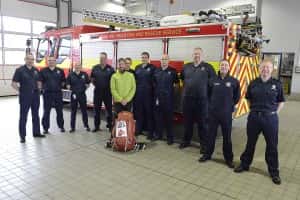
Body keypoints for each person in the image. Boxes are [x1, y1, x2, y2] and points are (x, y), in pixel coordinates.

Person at [234, 60, 285, 185]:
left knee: (272, 146)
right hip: (254, 118)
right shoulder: (253, 83)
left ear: (272, 69)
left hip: (270, 119)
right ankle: (245, 164)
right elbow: (248, 99)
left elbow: (281, 101)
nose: (265, 70)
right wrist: (254, 110)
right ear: (259, 69)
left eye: (268, 67)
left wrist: (275, 113)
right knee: (250, 143)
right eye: (263, 67)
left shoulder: (277, 84)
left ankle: (274, 172)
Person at [199, 60, 240, 168]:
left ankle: (228, 159)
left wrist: (229, 105)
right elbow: (207, 95)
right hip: (213, 113)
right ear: (219, 67)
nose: (223, 67)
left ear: (229, 67)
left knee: (227, 137)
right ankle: (207, 155)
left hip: (226, 114)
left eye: (226, 65)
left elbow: (236, 97)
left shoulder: (234, 81)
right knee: (210, 136)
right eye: (222, 65)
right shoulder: (212, 80)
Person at [179, 48, 216, 153]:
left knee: (202, 124)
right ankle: (186, 141)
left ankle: (204, 145)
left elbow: (213, 83)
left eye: (198, 54)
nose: (196, 56)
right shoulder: (186, 67)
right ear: (192, 55)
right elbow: (182, 78)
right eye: (195, 54)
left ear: (202, 55)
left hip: (202, 101)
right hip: (187, 100)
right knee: (187, 123)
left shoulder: (208, 67)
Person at [11, 54, 45, 143]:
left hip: (35, 96)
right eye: (29, 59)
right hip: (25, 97)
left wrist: (39, 88)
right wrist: (21, 91)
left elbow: (39, 81)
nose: (30, 61)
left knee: (36, 115)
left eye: (32, 59)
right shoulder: (20, 70)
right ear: (25, 59)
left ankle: (36, 132)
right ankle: (22, 136)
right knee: (23, 116)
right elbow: (14, 83)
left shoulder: (36, 70)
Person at [153, 54, 179, 145]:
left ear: (169, 61)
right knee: (158, 118)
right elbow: (154, 83)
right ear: (160, 60)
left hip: (168, 100)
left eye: (165, 59)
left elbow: (176, 84)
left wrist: (173, 95)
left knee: (169, 119)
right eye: (162, 59)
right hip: (158, 99)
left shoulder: (173, 71)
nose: (164, 61)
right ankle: (158, 135)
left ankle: (170, 138)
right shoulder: (156, 70)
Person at [40, 56, 66, 133]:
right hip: (47, 94)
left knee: (59, 111)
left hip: (58, 94)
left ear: (55, 61)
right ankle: (45, 128)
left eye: (53, 60)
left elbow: (63, 81)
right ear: (48, 61)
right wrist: (42, 89)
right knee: (46, 111)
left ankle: (61, 126)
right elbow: (40, 82)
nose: (51, 62)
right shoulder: (43, 70)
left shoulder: (60, 70)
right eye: (50, 60)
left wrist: (59, 87)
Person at [133, 52, 156, 140]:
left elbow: (155, 82)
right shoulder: (137, 67)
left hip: (148, 96)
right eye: (142, 57)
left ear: (148, 58)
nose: (144, 59)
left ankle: (150, 133)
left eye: (145, 57)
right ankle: (138, 130)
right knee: (139, 113)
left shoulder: (152, 68)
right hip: (138, 95)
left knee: (149, 114)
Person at [90, 52, 114, 132]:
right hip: (97, 92)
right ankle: (97, 126)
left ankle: (110, 126)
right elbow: (92, 79)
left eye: (103, 58)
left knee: (109, 110)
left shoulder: (110, 69)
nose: (102, 60)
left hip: (107, 92)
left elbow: (113, 81)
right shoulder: (95, 68)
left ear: (106, 59)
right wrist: (97, 85)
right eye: (101, 58)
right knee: (96, 110)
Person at [66, 63, 91, 132]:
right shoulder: (71, 74)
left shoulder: (84, 74)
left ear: (81, 67)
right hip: (74, 95)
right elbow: (67, 84)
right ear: (74, 67)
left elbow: (88, 83)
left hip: (82, 95)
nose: (77, 67)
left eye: (79, 66)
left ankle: (86, 126)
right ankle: (72, 127)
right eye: (76, 66)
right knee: (73, 111)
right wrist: (69, 87)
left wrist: (87, 86)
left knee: (84, 111)